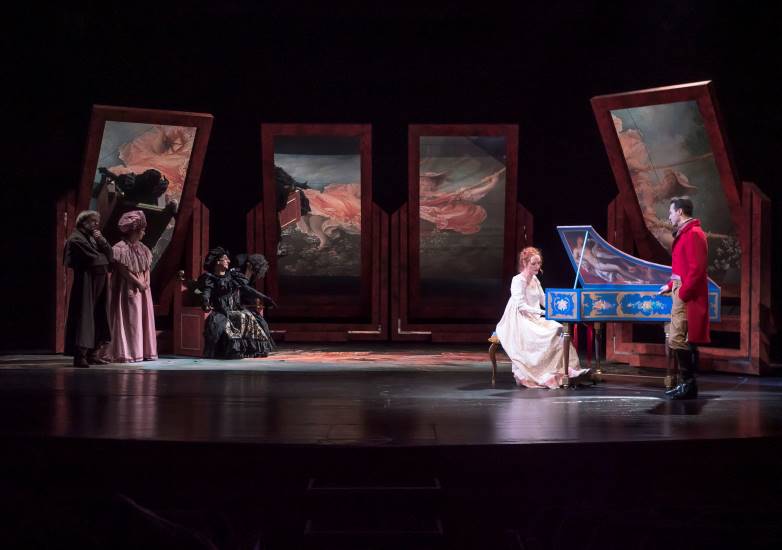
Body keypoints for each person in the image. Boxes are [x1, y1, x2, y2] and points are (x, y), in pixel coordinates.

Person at [495, 247, 590, 388]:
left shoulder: (535, 279)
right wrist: (543, 313)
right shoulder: (517, 280)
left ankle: (567, 370)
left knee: (559, 329)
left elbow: (544, 300)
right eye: (533, 263)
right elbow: (520, 306)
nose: (537, 266)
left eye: (539, 263)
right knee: (546, 335)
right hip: (520, 319)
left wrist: (559, 307)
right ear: (525, 263)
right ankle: (543, 373)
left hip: (535, 317)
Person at [658, 196, 709, 399]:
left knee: (678, 338)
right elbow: (681, 270)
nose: (669, 216)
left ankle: (689, 384)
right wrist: (670, 286)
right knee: (679, 337)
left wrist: (683, 293)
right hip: (680, 289)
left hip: (687, 293)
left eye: (671, 212)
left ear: (680, 212)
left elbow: (697, 269)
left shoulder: (694, 233)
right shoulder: (684, 233)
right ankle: (687, 384)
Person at [197, 247, 276, 359]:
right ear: (217, 261)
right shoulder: (210, 278)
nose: (228, 261)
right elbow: (206, 293)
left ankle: (249, 349)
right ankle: (234, 349)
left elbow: (247, 289)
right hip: (222, 310)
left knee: (249, 316)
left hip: (236, 308)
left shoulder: (232, 276)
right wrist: (205, 302)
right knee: (233, 318)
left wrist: (265, 298)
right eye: (225, 259)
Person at [64, 210, 113, 367]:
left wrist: (102, 241)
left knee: (99, 314)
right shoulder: (76, 238)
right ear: (83, 222)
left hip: (99, 279)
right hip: (86, 281)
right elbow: (95, 259)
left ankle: (93, 353)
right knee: (84, 316)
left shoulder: (94, 237)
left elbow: (110, 255)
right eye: (93, 221)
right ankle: (80, 356)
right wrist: (104, 256)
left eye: (97, 221)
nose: (96, 224)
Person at [107, 210, 158, 363]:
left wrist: (146, 282)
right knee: (131, 318)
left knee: (143, 317)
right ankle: (129, 352)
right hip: (127, 286)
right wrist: (138, 283)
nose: (144, 233)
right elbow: (123, 270)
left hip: (143, 288)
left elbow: (147, 268)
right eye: (142, 230)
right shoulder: (120, 248)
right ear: (134, 230)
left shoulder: (143, 248)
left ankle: (144, 350)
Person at [235, 253, 276, 351]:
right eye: (252, 270)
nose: (254, 273)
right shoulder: (237, 273)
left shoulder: (249, 275)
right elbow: (244, 287)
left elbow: (248, 290)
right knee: (246, 318)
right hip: (231, 302)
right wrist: (265, 298)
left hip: (240, 303)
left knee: (260, 321)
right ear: (248, 265)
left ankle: (256, 348)